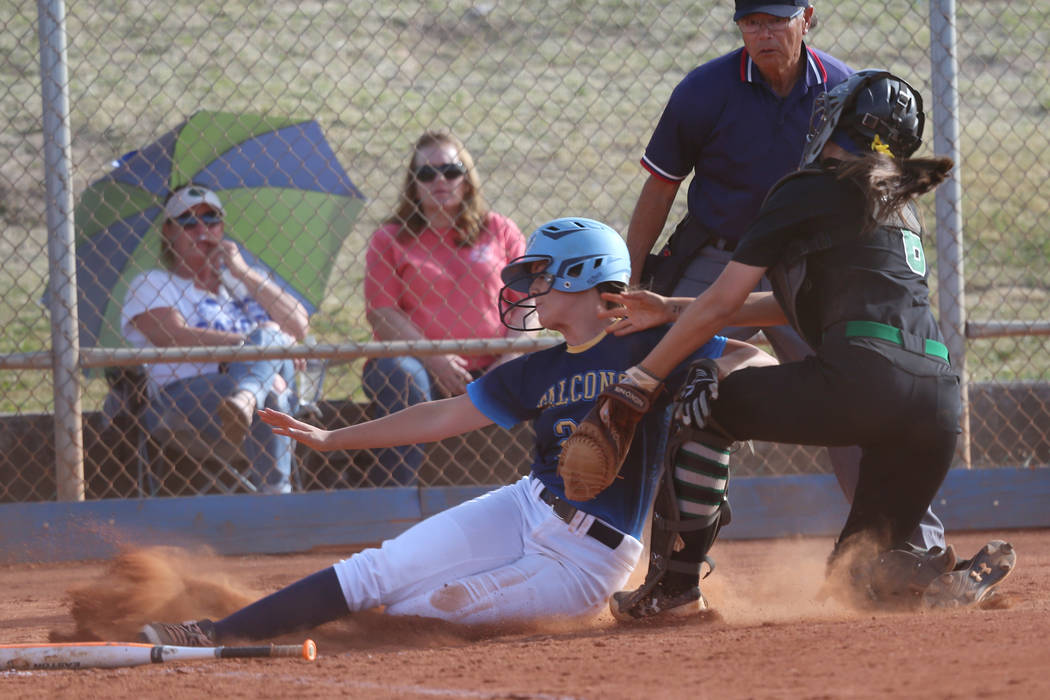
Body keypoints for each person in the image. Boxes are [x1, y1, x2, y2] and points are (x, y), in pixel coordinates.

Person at [136, 217, 776, 646]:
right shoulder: (539, 369)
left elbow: (759, 359)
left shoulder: (660, 342)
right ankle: (216, 635)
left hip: (589, 555)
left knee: (430, 609)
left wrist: (707, 377)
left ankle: (295, 640)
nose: (525, 287)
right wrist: (332, 438)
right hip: (526, 506)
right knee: (377, 573)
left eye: (540, 275)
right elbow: (439, 416)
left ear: (584, 277)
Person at [596, 71, 1016, 618]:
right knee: (856, 575)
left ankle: (674, 590)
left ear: (834, 120)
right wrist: (673, 307)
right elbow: (791, 305)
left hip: (864, 383)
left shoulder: (807, 186)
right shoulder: (899, 205)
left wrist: (643, 377)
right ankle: (927, 574)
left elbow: (723, 302)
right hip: (936, 404)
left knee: (702, 407)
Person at [626, 0, 946, 552]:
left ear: (808, 17)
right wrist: (631, 281)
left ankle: (912, 548)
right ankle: (624, 544)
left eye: (777, 19)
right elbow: (661, 187)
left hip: (812, 262)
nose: (764, 33)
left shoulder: (848, 91)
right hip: (723, 255)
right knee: (659, 379)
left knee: (858, 387)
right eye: (752, 22)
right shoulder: (705, 90)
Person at [363, 130, 526, 486]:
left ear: (466, 180)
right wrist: (433, 358)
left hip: (494, 364)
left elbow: (528, 302)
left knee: (550, 369)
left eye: (450, 171)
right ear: (414, 184)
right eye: (427, 173)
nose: (440, 180)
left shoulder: (498, 230)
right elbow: (382, 312)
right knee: (403, 376)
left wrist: (512, 357)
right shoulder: (390, 238)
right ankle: (392, 498)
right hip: (415, 364)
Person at [121, 185, 309, 494]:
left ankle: (246, 398)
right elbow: (174, 335)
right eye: (188, 221)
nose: (201, 230)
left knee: (271, 382)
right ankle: (278, 503)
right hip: (188, 397)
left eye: (211, 220)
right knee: (272, 388)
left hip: (250, 393)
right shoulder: (152, 283)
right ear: (168, 231)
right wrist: (259, 344)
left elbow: (299, 324)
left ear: (222, 228)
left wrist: (244, 272)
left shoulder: (245, 283)